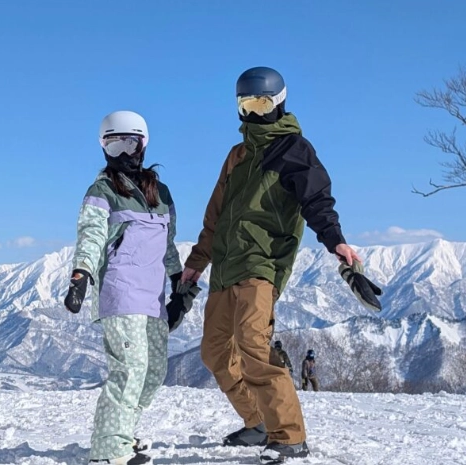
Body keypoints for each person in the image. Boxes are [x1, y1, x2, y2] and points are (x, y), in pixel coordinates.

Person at [180, 66, 380, 464]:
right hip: (225, 267)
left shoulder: (293, 149)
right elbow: (214, 216)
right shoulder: (237, 156)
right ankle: (257, 421)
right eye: (247, 105)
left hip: (262, 265)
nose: (255, 113)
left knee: (254, 345)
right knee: (215, 352)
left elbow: (317, 200)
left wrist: (335, 241)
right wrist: (196, 264)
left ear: (280, 102)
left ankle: (288, 436)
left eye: (263, 104)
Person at [64, 110, 189, 465]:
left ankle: (123, 433)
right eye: (113, 143)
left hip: (152, 297)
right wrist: (81, 274)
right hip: (119, 293)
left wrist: (179, 280)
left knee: (152, 374)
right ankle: (108, 451)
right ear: (103, 148)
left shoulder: (161, 194)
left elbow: (167, 244)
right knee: (129, 370)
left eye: (128, 143)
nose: (121, 153)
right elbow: (91, 234)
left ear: (142, 145)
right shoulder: (101, 190)